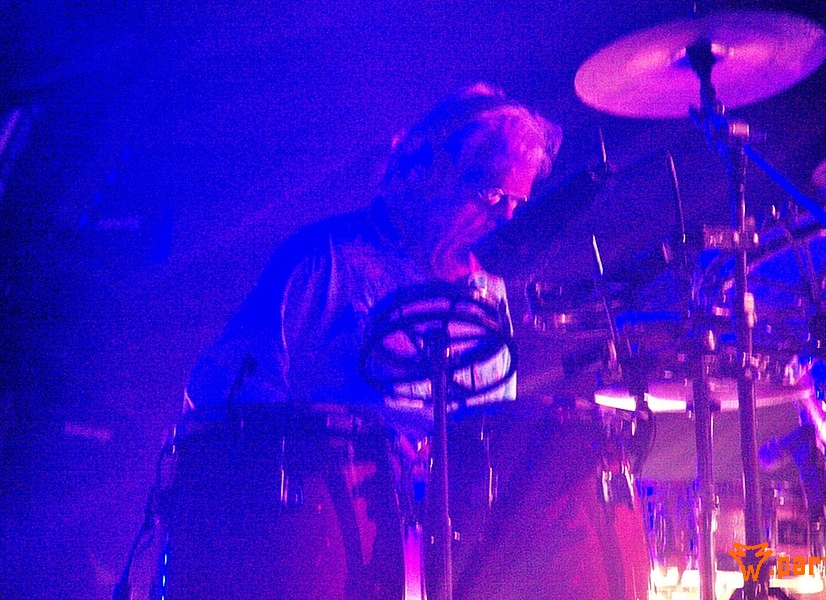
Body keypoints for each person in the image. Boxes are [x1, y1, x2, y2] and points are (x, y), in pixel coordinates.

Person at [162, 83, 562, 600]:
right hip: (324, 547)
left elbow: (487, 432)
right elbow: (220, 396)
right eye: (491, 195)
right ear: (426, 173)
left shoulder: (489, 292)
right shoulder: (323, 258)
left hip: (452, 557)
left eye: (516, 203)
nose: (505, 218)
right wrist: (332, 443)